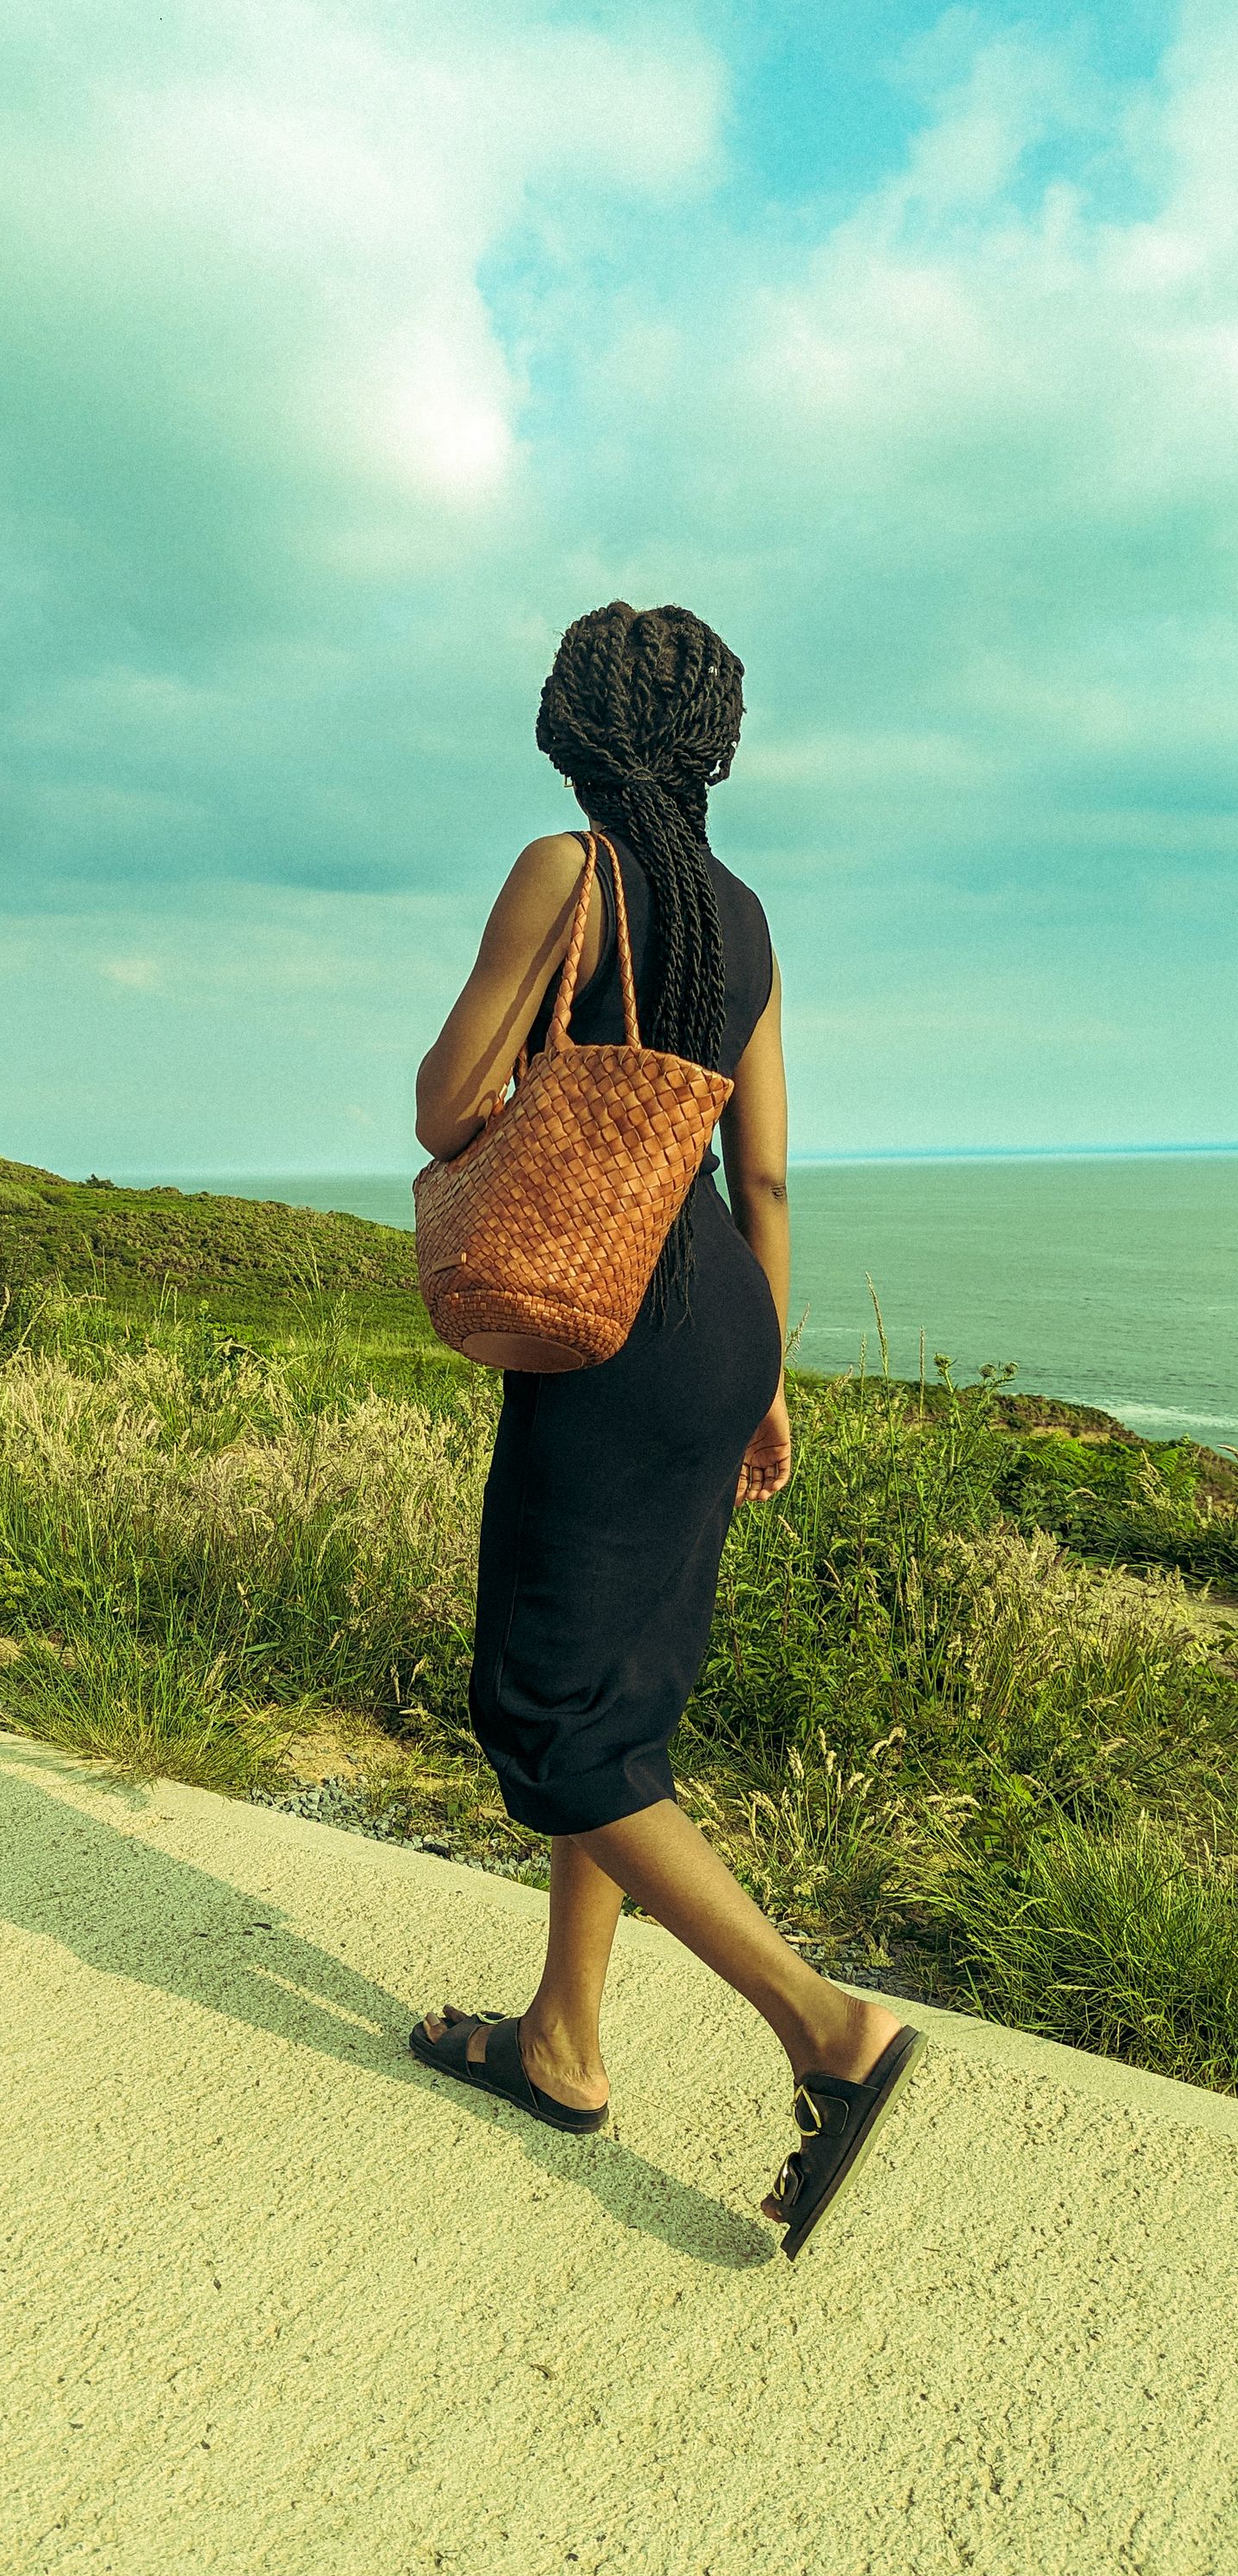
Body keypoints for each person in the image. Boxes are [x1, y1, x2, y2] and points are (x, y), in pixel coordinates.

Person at [411, 601, 923, 2259]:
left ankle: (825, 2033)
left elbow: (438, 1106)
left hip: (606, 1317)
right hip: (717, 1319)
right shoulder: (750, 915)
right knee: (623, 1702)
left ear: (583, 721)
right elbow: (764, 1175)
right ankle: (564, 2040)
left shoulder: (569, 872)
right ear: (711, 737)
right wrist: (766, 1369)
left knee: (548, 1719)